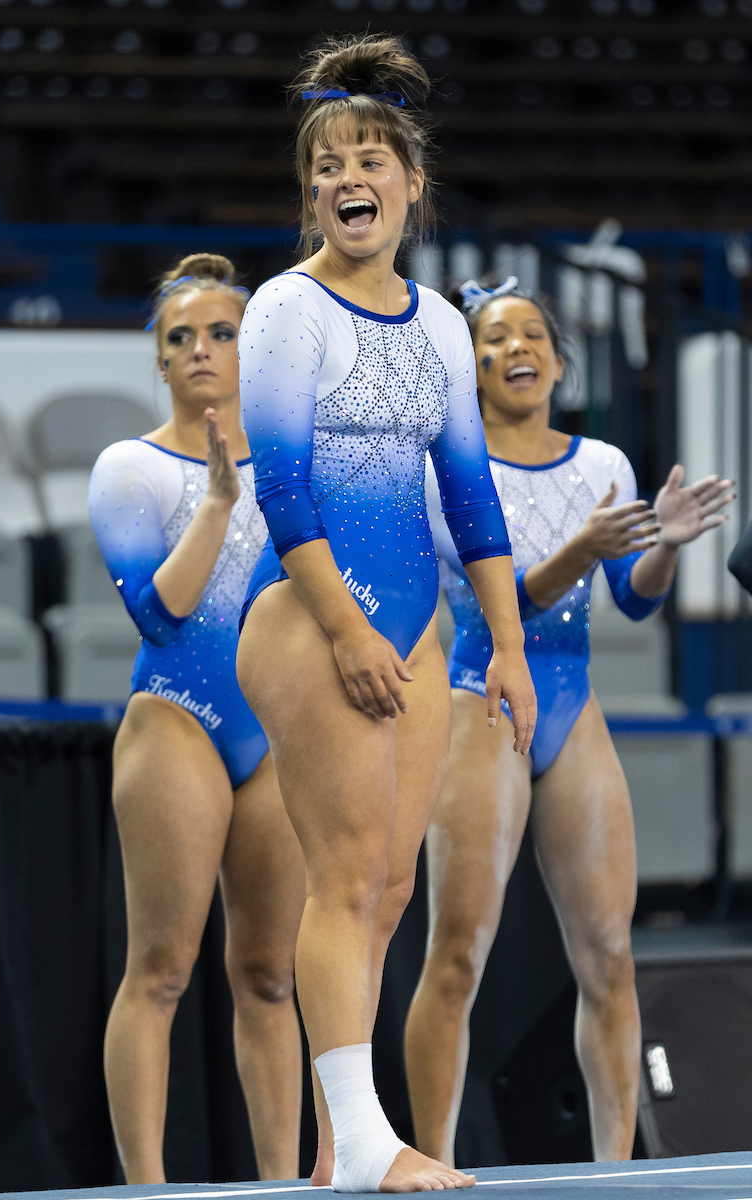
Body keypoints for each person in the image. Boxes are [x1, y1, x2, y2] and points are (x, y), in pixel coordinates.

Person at [235, 34, 536, 1195]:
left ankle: (334, 1149)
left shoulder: (444, 325)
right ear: (310, 190)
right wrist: (346, 628)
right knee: (349, 875)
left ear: (409, 183)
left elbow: (467, 497)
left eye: (367, 158)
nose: (344, 178)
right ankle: (367, 1145)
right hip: (312, 612)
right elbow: (283, 485)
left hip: (419, 620)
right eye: (324, 164)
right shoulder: (284, 309)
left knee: (392, 885)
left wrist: (502, 643)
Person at [404, 280, 734, 1165]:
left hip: (572, 697)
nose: (513, 349)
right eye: (490, 340)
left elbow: (629, 599)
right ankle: (432, 1159)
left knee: (612, 959)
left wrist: (661, 543)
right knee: (458, 957)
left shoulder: (605, 464)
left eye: (529, 335)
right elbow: (494, 603)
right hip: (485, 693)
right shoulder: (452, 469)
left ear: (557, 356)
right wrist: (582, 550)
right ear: (468, 371)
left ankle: (618, 1172)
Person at [90, 254, 306, 1184]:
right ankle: (147, 1184)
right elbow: (158, 612)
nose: (202, 350)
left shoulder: (296, 464)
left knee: (269, 975)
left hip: (275, 730)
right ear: (161, 362)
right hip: (176, 715)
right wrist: (218, 501)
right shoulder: (130, 466)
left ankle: (288, 1178)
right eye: (180, 338)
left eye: (222, 332)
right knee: (163, 970)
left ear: (251, 348)